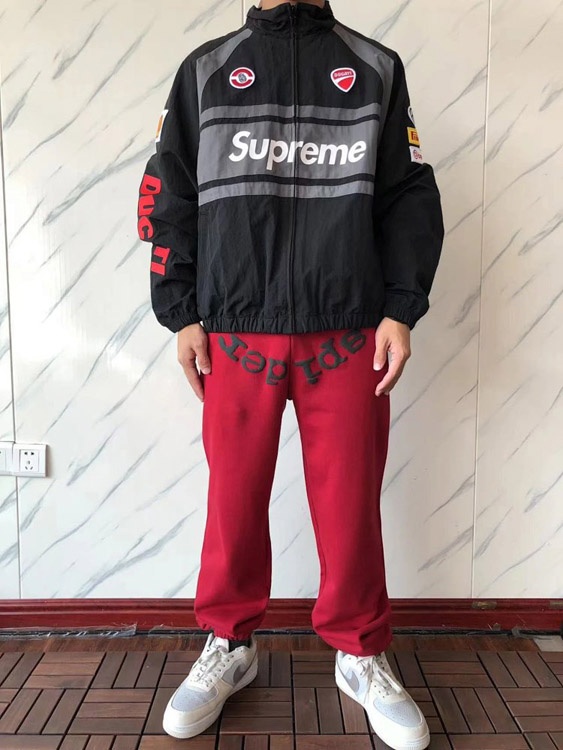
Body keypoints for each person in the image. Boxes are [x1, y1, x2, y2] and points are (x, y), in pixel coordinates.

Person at [137, 0, 444, 747]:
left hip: (349, 326)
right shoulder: (206, 70)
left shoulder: (374, 67)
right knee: (233, 497)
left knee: (349, 501)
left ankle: (359, 651)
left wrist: (401, 307)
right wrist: (180, 311)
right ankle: (228, 644)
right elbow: (169, 193)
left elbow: (407, 195)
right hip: (234, 327)